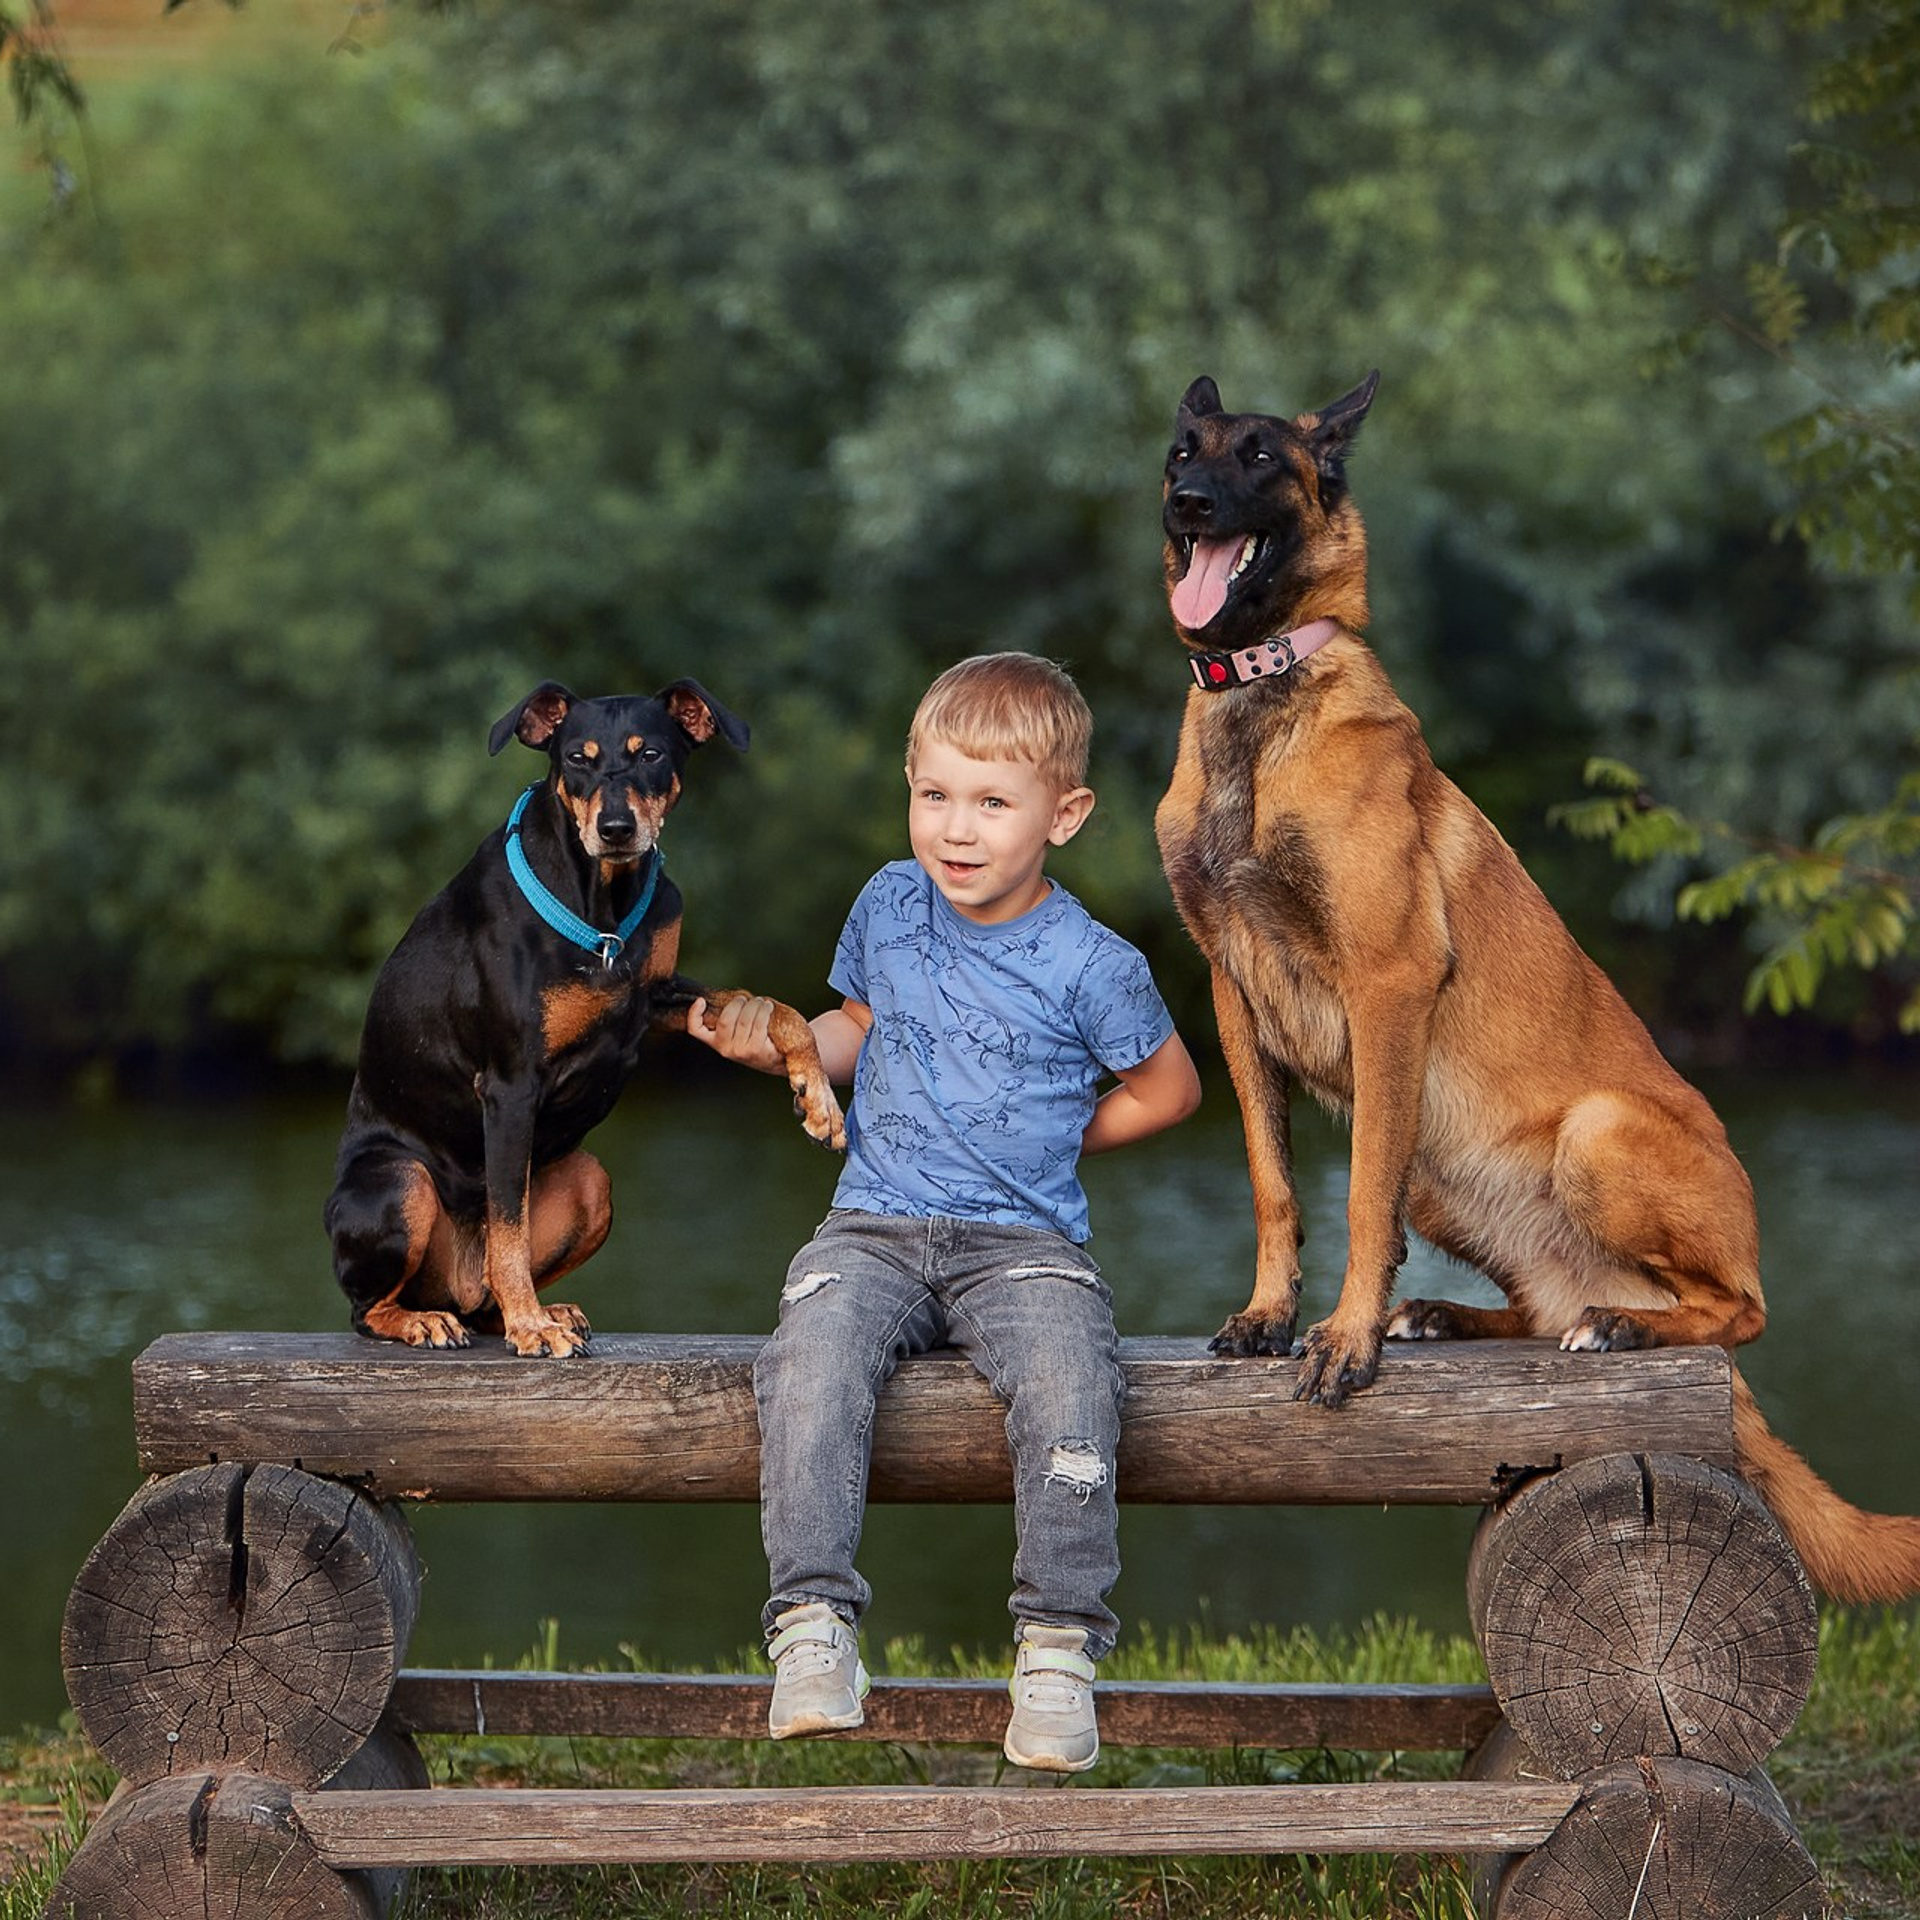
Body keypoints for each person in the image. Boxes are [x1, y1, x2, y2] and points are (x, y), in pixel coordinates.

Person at [690, 651, 1201, 1774]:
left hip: (1023, 1245)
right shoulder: (887, 902)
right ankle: (814, 1626)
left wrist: (1061, 1130)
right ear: (909, 788)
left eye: (992, 802)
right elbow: (855, 1032)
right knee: (810, 1360)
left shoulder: (1093, 964)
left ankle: (1059, 1648)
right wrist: (782, 1044)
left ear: (1063, 816)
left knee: (1074, 1379)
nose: (956, 830)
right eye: (935, 796)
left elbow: (1170, 1090)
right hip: (872, 1223)